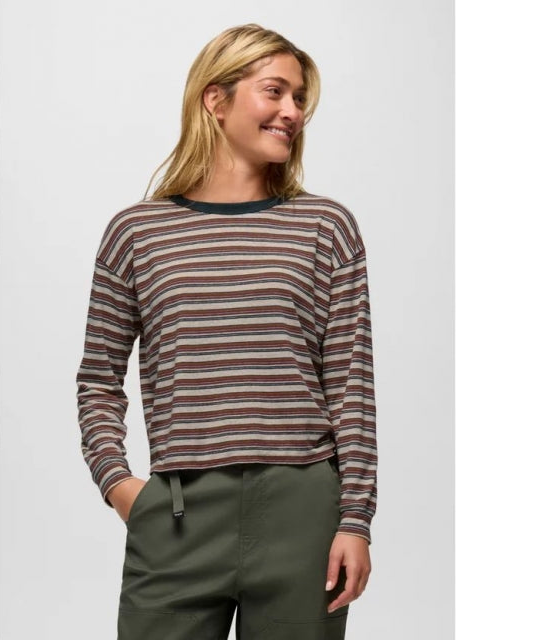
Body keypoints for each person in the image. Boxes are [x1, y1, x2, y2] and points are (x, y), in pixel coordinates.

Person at [76, 23, 377, 640]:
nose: (292, 112)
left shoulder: (326, 228)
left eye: (300, 99)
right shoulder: (137, 233)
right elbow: (98, 380)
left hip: (301, 513)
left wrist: (355, 519)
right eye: (275, 91)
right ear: (215, 100)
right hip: (178, 516)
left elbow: (351, 385)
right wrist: (121, 487)